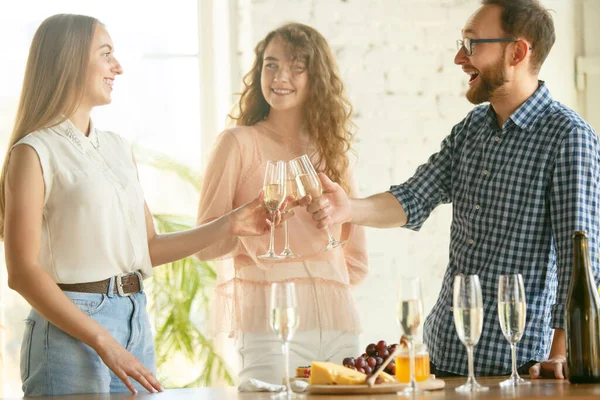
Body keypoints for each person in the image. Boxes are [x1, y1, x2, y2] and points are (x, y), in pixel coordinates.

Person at [306, 0, 600, 378]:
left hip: (518, 366)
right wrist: (348, 209)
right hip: (443, 357)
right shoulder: (473, 128)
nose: (460, 58)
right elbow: (414, 197)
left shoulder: (568, 137)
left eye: (472, 44)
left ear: (518, 51)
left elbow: (580, 257)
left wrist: (563, 354)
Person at [1, 14, 281, 397]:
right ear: (69, 60)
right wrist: (103, 341)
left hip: (134, 318)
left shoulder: (116, 147)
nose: (118, 66)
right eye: (106, 53)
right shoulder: (33, 152)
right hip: (70, 332)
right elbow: (22, 272)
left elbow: (147, 247)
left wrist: (231, 223)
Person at [195, 22, 368, 384]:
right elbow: (205, 245)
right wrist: (249, 229)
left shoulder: (332, 153)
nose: (280, 76)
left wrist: (327, 228)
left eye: (296, 66)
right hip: (269, 326)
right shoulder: (237, 143)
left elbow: (355, 261)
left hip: (338, 326)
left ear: (316, 77)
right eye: (270, 64)